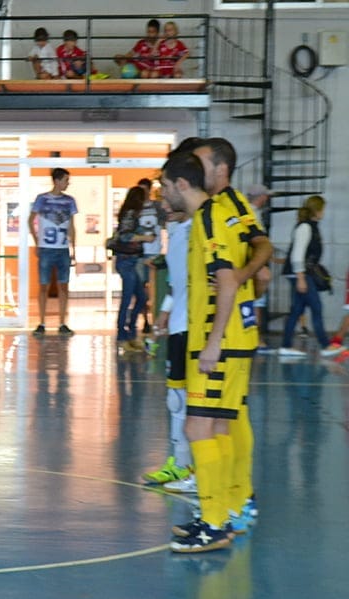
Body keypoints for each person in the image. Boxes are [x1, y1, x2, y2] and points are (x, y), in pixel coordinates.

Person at [159, 151, 258, 553]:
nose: (164, 196)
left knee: (197, 428)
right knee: (214, 428)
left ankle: (216, 521)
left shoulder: (209, 218)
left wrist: (213, 343)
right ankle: (220, 515)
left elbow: (229, 281)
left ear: (182, 185)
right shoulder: (210, 215)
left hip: (219, 342)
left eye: (166, 187)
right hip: (224, 339)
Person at [189, 137, 274, 517]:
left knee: (214, 421)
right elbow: (262, 259)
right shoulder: (218, 209)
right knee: (230, 415)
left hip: (221, 332)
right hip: (227, 330)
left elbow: (263, 249)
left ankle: (224, 509)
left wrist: (240, 277)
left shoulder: (225, 208)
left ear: (221, 169)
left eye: (200, 164)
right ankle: (238, 500)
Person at [142, 200, 195, 488]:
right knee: (176, 400)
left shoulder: (198, 230)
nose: (164, 201)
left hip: (195, 329)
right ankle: (180, 464)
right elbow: (176, 284)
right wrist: (162, 317)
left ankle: (191, 469)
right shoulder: (174, 232)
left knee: (196, 403)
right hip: (178, 327)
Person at [278, 196, 344, 358]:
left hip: (300, 273)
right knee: (316, 307)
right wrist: (300, 277)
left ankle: (286, 345)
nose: (324, 212)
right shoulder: (305, 228)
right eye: (323, 209)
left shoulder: (311, 227)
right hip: (300, 273)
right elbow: (297, 254)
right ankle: (325, 345)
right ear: (317, 210)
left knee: (297, 310)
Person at [28, 167, 77, 336]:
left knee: (64, 286)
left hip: (63, 249)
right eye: (65, 180)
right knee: (44, 286)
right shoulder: (41, 199)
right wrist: (37, 242)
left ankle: (63, 322)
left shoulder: (70, 201)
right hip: (47, 248)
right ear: (56, 181)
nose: (67, 183)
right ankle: (41, 322)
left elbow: (72, 226)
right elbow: (30, 220)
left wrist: (73, 249)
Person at [113, 185, 154, 351]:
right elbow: (125, 236)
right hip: (126, 261)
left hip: (131, 261)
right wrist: (145, 237)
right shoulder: (131, 214)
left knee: (142, 298)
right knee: (127, 299)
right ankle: (123, 336)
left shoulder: (131, 214)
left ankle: (130, 333)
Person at [244, 183, 272, 351]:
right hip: (254, 265)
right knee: (256, 302)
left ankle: (253, 337)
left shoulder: (248, 212)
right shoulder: (251, 215)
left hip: (252, 263)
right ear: (261, 197)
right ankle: (255, 338)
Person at [136, 177, 166, 333]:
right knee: (141, 289)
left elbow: (166, 223)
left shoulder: (158, 207)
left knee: (155, 288)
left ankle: (155, 319)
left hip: (154, 252)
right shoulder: (135, 209)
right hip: (141, 253)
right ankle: (146, 320)